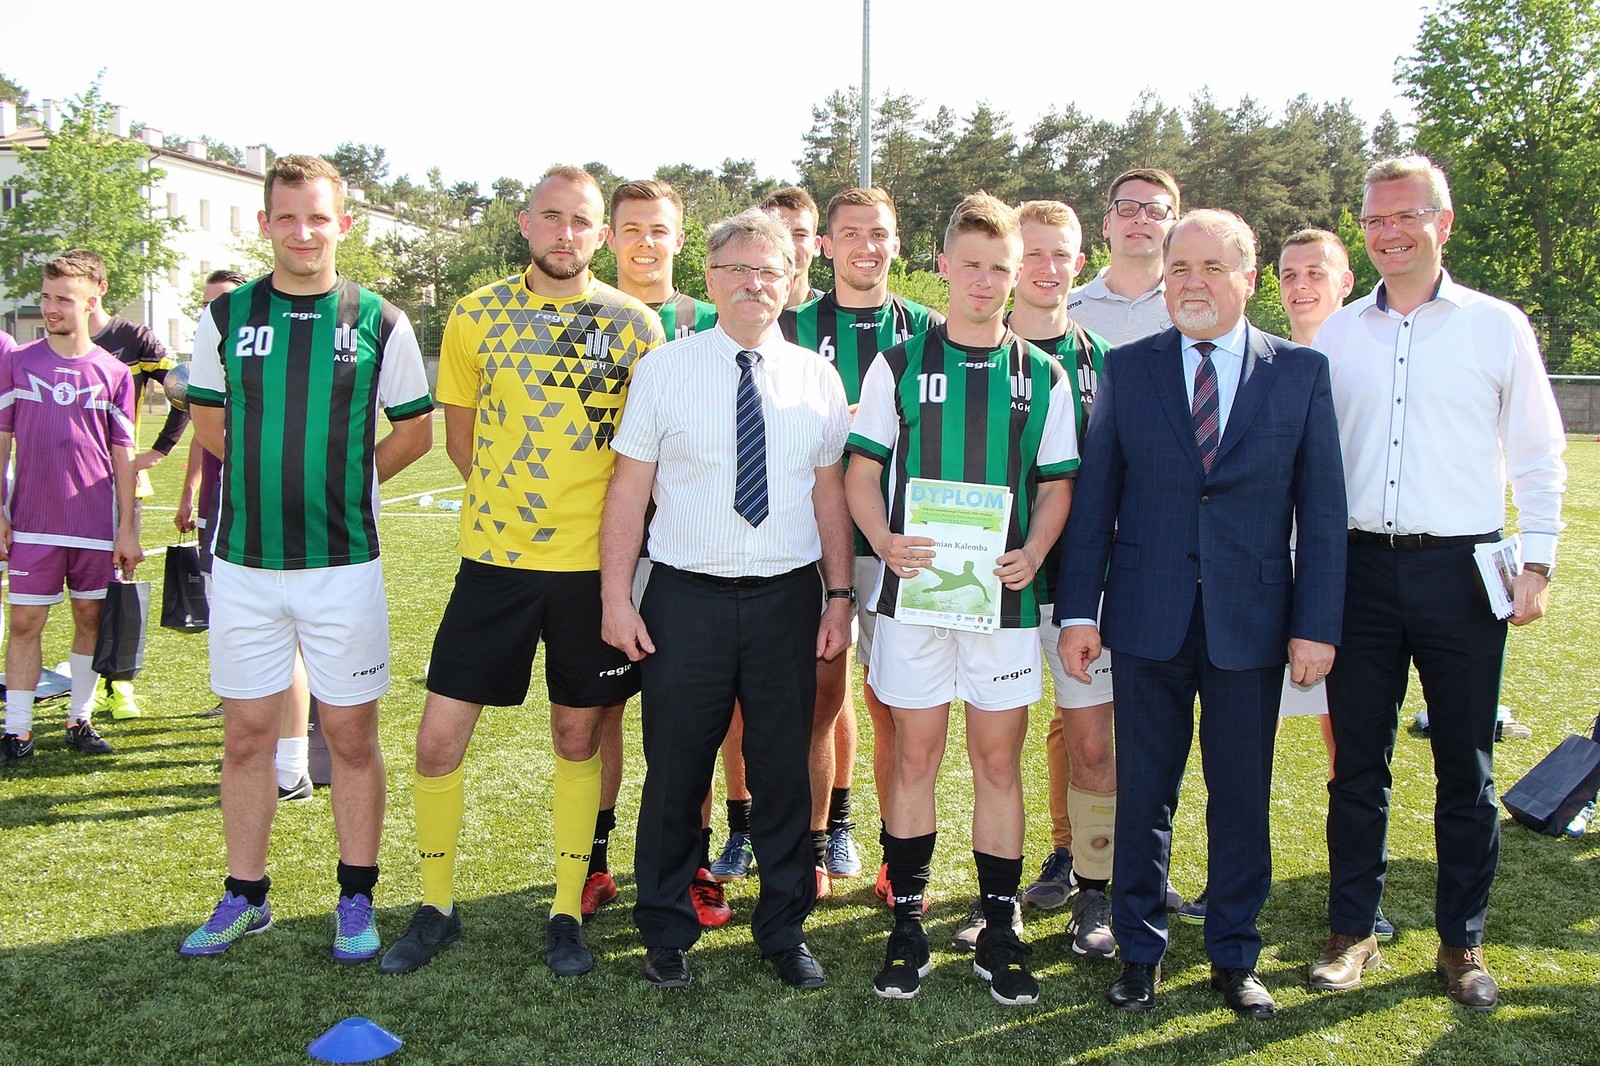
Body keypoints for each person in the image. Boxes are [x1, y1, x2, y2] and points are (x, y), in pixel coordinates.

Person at [1056, 209, 1346, 1017]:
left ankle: (1234, 953)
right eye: (1180, 267)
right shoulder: (1130, 367)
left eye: (1212, 267)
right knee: (1144, 795)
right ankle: (1140, 952)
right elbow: (1096, 501)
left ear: (1248, 279)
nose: (1192, 282)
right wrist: (1078, 612)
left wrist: (1316, 624)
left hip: (1252, 623)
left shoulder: (1300, 373)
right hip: (1146, 618)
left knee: (1241, 797)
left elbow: (1322, 512)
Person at [377, 167, 662, 978]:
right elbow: (461, 440)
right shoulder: (476, 314)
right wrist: (516, 511)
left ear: (600, 234)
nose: (566, 233)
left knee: (577, 736)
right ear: (525, 222)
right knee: (437, 741)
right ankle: (436, 906)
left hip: (591, 572)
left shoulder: (635, 325)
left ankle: (567, 910)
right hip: (494, 565)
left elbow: (646, 452)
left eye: (581, 220)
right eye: (552, 216)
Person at [1313, 156, 1567, 1011]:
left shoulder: (1497, 326)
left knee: (1467, 767)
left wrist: (1538, 563)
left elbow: (1538, 453)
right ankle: (1352, 931)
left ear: (1442, 222)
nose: (1389, 233)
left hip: (1464, 571)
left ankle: (1461, 942)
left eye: (1406, 216)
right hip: (1358, 571)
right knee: (1358, 766)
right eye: (1375, 219)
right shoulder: (1339, 334)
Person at [181, 155, 435, 961]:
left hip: (342, 564)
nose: (302, 232)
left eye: (318, 216)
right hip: (246, 563)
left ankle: (356, 897)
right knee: (246, 737)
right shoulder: (226, 315)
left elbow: (415, 431)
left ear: (343, 224)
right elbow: (209, 423)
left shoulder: (380, 319)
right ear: (265, 224)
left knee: (352, 737)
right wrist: (269, 478)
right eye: (286, 217)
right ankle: (245, 895)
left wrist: (344, 482)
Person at [601, 207, 851, 991]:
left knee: (782, 773)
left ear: (791, 280)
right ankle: (665, 927)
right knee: (675, 772)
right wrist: (616, 597)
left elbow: (830, 497)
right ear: (708, 281)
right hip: (685, 600)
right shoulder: (665, 370)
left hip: (786, 600)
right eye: (735, 269)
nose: (752, 284)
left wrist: (839, 596)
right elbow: (628, 492)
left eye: (767, 271)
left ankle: (782, 931)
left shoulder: (816, 377)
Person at [846, 192, 1078, 1006]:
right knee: (914, 756)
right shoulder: (898, 363)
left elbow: (1056, 486)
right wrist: (883, 541)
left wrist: (1034, 552)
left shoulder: (1043, 374)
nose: (984, 281)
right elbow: (861, 473)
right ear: (943, 265)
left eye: (999, 268)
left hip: (1003, 605)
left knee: (997, 763)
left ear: (1017, 275)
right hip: (914, 598)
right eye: (971, 265)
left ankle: (1001, 928)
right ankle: (907, 924)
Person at [777, 187, 945, 899]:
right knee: (819, 700)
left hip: (899, 542)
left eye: (879, 233)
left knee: (896, 706)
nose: (866, 247)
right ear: (825, 245)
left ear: (897, 243)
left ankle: (893, 853)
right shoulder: (789, 325)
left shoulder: (930, 329)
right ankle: (813, 845)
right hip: (812, 539)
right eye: (850, 233)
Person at [1040, 168, 1186, 920]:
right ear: (1105, 224)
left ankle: (1140, 858)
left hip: (1159, 547)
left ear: (1172, 223)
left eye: (1155, 210)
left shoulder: (1192, 304)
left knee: (1151, 715)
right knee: (1078, 721)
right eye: (1126, 208)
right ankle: (1073, 851)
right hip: (1079, 547)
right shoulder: (1070, 308)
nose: (1139, 220)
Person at [587, 179, 719, 923]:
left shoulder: (707, 321)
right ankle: (594, 861)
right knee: (600, 709)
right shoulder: (586, 315)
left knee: (696, 719)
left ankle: (692, 860)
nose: (645, 243)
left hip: (690, 552)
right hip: (604, 544)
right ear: (610, 237)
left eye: (659, 229)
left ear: (680, 239)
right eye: (631, 228)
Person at [998, 199, 1117, 960]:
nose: (1047, 268)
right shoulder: (973, 350)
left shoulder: (1108, 359)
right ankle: (999, 895)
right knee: (995, 749)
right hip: (994, 585)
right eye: (1033, 253)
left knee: (1093, 744)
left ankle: (1094, 889)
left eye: (1061, 254)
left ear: (1081, 262)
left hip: (1080, 587)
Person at [175, 269, 316, 799]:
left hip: (273, 511)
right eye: (208, 303)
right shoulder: (213, 352)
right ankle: (258, 733)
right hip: (223, 509)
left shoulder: (267, 352)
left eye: (225, 301)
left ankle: (292, 764)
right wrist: (191, 492)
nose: (216, 311)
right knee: (238, 633)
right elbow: (201, 429)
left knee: (290, 639)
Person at [0, 250, 142, 765]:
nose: (51, 307)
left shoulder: (115, 373)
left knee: (90, 616)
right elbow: (2, 438)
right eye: (46, 297)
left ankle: (79, 719)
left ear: (92, 300)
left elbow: (123, 456)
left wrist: (128, 528)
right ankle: (16, 731)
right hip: (32, 521)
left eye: (63, 298)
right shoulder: (18, 362)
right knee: (24, 623)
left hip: (93, 523)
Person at [85, 260, 189, 722]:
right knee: (72, 595)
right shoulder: (49, 344)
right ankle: (79, 688)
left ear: (99, 288)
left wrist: (159, 451)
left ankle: (119, 684)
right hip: (60, 488)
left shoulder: (134, 339)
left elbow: (184, 391)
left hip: (119, 485)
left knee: (118, 583)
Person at [763, 186, 824, 308]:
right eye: (777, 234)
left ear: (816, 245)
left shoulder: (836, 315)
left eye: (799, 235)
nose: (788, 245)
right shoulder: (735, 314)